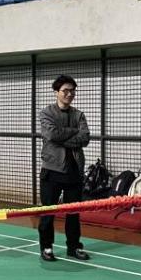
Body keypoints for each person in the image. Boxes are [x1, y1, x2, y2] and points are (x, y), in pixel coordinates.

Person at [37, 75, 92, 263]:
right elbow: (52, 134)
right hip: (52, 171)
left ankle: (73, 247)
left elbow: (85, 138)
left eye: (72, 91)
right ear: (56, 92)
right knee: (48, 212)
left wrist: (63, 137)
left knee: (73, 213)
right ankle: (46, 247)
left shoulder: (79, 115)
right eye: (65, 91)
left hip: (74, 171)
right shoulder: (47, 113)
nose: (69, 94)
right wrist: (73, 132)